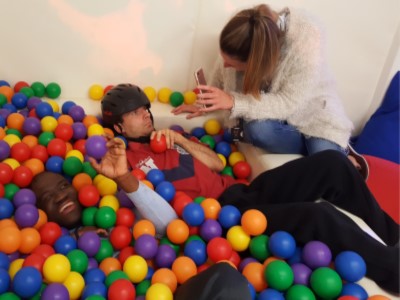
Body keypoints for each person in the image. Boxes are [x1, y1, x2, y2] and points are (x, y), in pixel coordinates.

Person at [94, 83, 399, 294]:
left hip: (239, 192)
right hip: (218, 222)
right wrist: (124, 178)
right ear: (118, 127)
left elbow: (215, 164)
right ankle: (395, 272)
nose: (146, 114)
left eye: (145, 109)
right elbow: (156, 215)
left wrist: (184, 140)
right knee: (319, 216)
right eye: (135, 113)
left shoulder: (172, 135)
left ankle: (394, 235)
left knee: (333, 162)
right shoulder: (124, 160)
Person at [171, 4, 368, 178]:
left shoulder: (306, 38)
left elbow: (288, 103)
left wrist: (233, 101)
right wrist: (205, 103)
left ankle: (340, 152)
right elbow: (223, 72)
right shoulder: (246, 29)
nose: (224, 65)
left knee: (327, 166)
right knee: (257, 130)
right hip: (279, 123)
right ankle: (319, 152)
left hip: (314, 115)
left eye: (232, 64)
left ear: (257, 63)